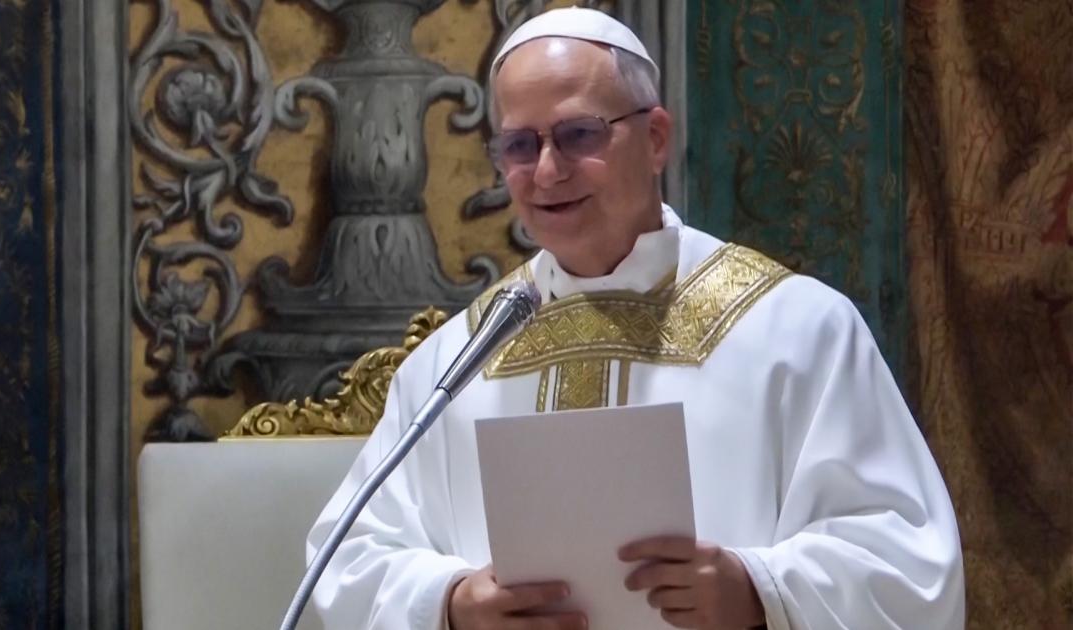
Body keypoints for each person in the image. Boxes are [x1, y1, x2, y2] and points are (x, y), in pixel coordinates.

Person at [306, 7, 965, 629]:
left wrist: (760, 590)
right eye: (517, 146)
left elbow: (911, 560)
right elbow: (346, 560)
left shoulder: (798, 331)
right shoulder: (452, 364)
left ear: (654, 138)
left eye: (578, 135)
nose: (546, 170)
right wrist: (449, 603)